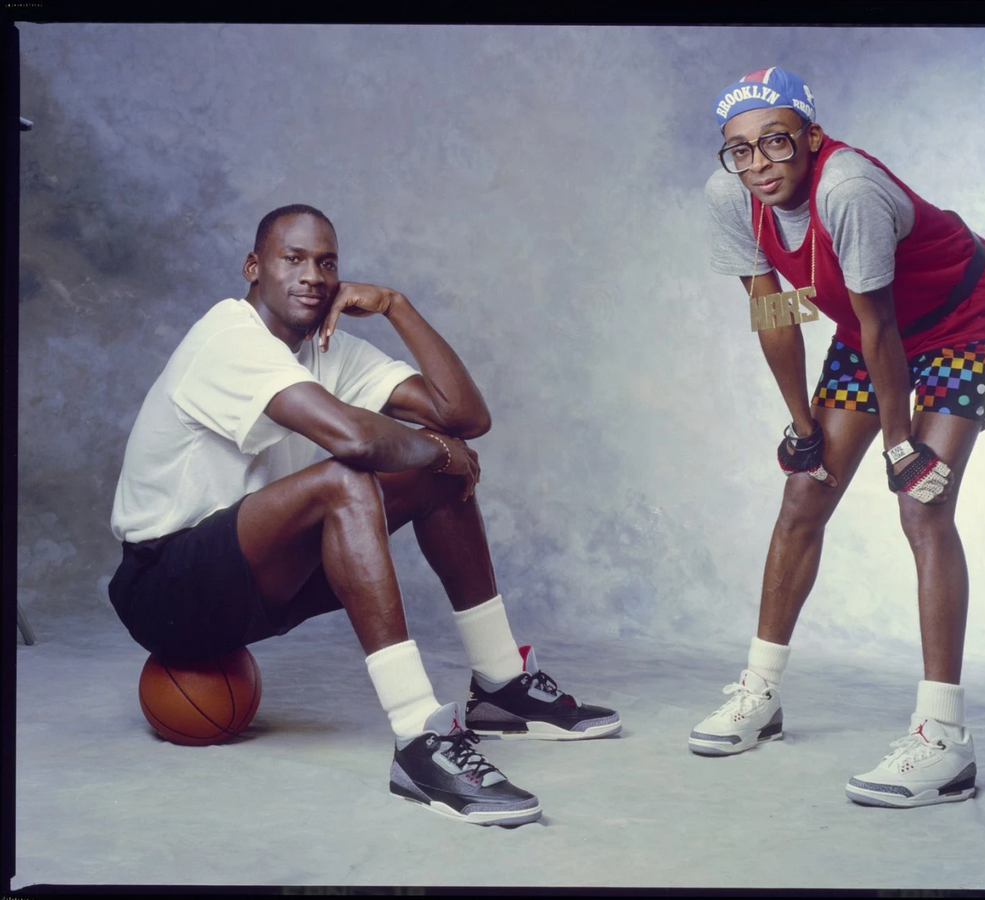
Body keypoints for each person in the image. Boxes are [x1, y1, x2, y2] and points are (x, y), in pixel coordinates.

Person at [108, 204, 620, 827]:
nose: (312, 276)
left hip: (254, 583)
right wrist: (443, 450)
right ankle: (418, 740)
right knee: (348, 478)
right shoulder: (228, 336)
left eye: (326, 262)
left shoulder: (331, 350)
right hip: (165, 586)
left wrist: (395, 306)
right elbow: (354, 440)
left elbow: (465, 416)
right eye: (291, 259)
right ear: (253, 267)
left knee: (431, 476)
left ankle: (501, 685)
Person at [691, 68, 985, 808]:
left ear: (810, 138)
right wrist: (802, 429)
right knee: (804, 491)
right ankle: (760, 695)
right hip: (875, 334)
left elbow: (880, 327)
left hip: (957, 325)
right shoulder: (731, 197)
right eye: (739, 151)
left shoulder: (847, 188)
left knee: (922, 506)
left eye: (775, 142)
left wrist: (900, 447)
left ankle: (944, 741)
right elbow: (771, 310)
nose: (759, 166)